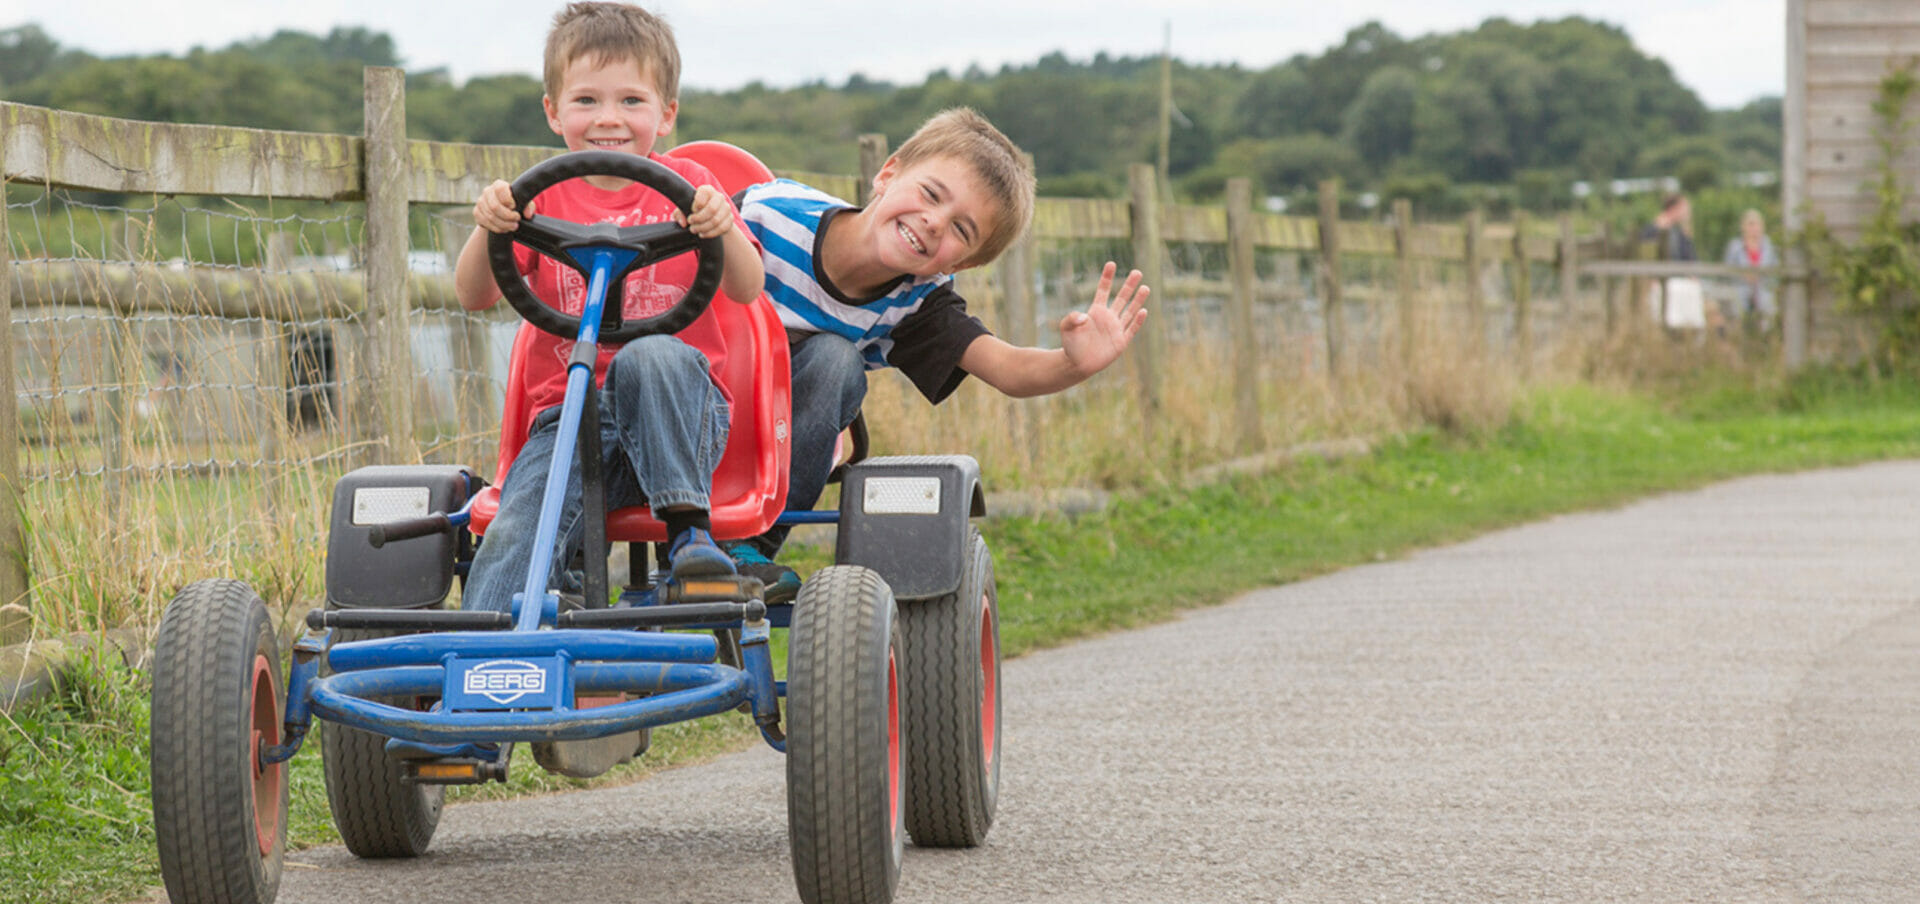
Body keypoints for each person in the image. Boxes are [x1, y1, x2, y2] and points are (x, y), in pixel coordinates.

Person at [729, 108, 1149, 601]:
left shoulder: (917, 300)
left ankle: (748, 548)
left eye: (961, 230)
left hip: (782, 438)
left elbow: (1007, 368)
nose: (932, 222)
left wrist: (1073, 363)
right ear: (887, 173)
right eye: (930, 194)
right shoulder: (766, 212)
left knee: (836, 359)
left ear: (963, 262)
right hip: (692, 397)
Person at [451, 1, 764, 614]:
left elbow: (747, 290)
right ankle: (485, 661)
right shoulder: (536, 196)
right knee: (516, 528)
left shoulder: (691, 185)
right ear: (553, 111)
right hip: (569, 421)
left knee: (648, 357)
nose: (608, 119)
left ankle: (689, 532)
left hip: (677, 415)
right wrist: (490, 226)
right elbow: (474, 296)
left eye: (631, 101)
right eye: (587, 100)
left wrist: (719, 225)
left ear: (666, 113)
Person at [1722, 208, 1777, 330]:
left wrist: (1760, 276)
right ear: (1743, 227)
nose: (1754, 228)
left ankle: (1765, 337)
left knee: (1767, 305)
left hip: (1763, 289)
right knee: (1737, 305)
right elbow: (1727, 271)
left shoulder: (1769, 247)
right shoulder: (1735, 247)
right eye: (1751, 224)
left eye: (1757, 224)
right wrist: (1744, 276)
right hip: (1741, 289)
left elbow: (1775, 272)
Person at [1643, 192, 1697, 262]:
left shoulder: (1678, 232)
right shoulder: (1651, 231)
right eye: (1684, 209)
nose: (1687, 213)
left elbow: (1692, 261)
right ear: (1673, 208)